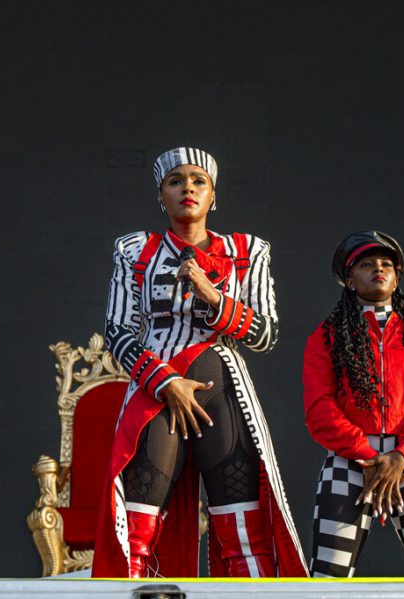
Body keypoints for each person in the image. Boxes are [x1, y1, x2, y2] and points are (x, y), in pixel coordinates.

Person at [92, 147, 307, 578]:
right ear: (161, 196)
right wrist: (165, 381)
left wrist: (212, 295)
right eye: (175, 181)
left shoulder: (248, 251)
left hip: (223, 390)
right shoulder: (135, 250)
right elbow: (116, 331)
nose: (187, 187)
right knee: (138, 523)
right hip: (155, 392)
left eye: (198, 181)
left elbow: (265, 334)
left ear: (213, 196)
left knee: (243, 528)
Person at [302, 230, 404, 577]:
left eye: (386, 264)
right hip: (350, 463)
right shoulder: (326, 336)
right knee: (327, 582)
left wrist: (402, 454)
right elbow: (319, 408)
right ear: (348, 278)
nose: (378, 269)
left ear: (397, 276)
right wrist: (369, 456)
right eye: (366, 263)